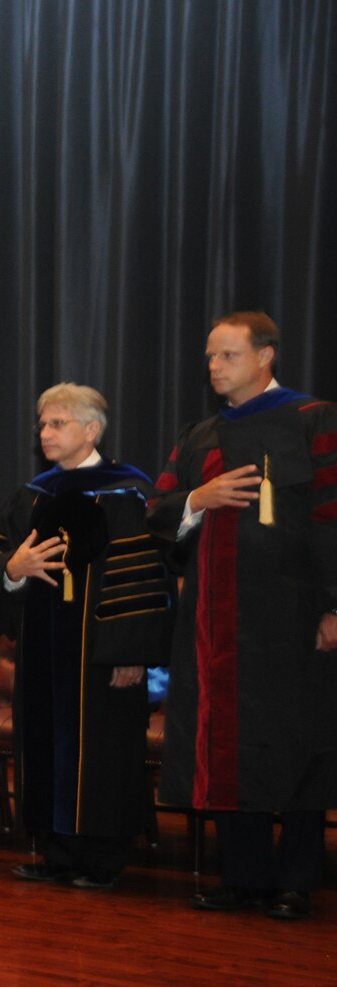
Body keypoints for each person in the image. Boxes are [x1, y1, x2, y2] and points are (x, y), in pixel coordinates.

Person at [147, 313, 337, 921]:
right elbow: (156, 510)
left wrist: (333, 605)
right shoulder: (200, 434)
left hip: (294, 617)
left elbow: (332, 516)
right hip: (214, 623)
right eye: (209, 356)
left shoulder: (314, 421)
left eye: (227, 355)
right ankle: (244, 877)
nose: (213, 367)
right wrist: (195, 502)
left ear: (265, 357)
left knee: (295, 743)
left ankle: (296, 881)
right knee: (224, 744)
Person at [0, 385, 172, 890]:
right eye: (43, 424)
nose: (46, 433)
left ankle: (103, 859)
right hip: (43, 653)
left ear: (92, 430)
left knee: (105, 751)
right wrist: (12, 569)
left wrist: (134, 655)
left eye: (58, 423)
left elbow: (145, 578)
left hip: (104, 655)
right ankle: (58, 853)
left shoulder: (127, 492)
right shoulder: (33, 495)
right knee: (46, 745)